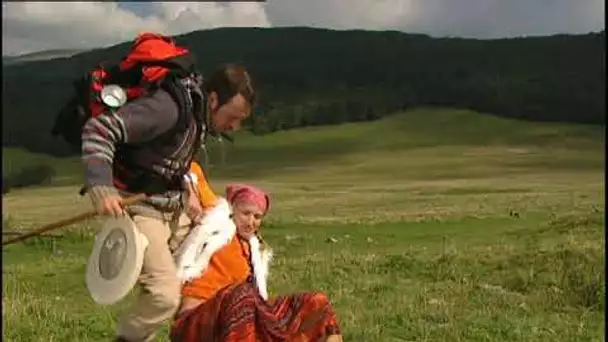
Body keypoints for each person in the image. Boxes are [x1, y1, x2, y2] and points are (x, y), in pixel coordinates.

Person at [82, 62, 256, 342]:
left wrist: (188, 191)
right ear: (212, 99)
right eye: (232, 117)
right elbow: (99, 129)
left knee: (222, 256)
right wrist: (101, 186)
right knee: (164, 296)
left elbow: (170, 162)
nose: (234, 127)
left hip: (174, 209)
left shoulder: (197, 117)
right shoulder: (168, 109)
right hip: (141, 210)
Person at [170, 184, 343, 342]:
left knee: (316, 302)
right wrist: (192, 192)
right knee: (243, 295)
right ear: (232, 210)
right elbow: (191, 170)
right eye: (246, 213)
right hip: (196, 322)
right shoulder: (216, 228)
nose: (251, 221)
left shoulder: (255, 251)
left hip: (240, 316)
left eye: (257, 216)